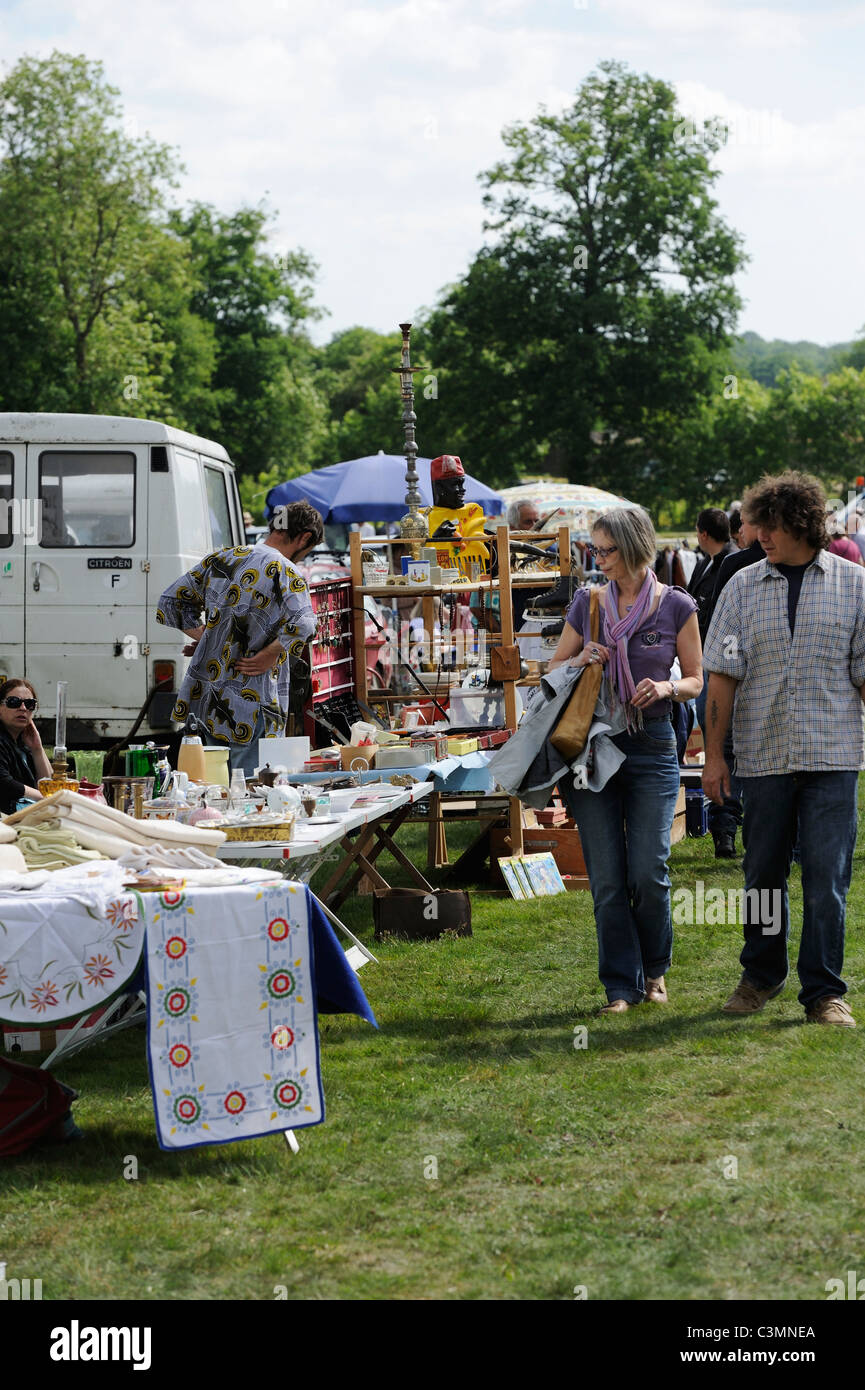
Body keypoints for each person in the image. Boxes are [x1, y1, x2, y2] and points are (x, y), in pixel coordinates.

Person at [702, 470, 865, 1027]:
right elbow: (720, 676)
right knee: (761, 876)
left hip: (834, 756)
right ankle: (760, 976)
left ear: (799, 524)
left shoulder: (855, 584)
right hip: (763, 754)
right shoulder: (740, 587)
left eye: (767, 525)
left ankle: (824, 993)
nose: (756, 534)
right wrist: (715, 756)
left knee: (827, 878)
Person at [547, 507, 702, 1013]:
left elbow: (696, 679)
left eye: (606, 550)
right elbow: (553, 671)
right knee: (608, 877)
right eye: (595, 549)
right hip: (593, 745)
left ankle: (655, 971)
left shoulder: (675, 605)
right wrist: (583, 656)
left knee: (648, 870)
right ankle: (620, 985)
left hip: (651, 743)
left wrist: (668, 685)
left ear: (635, 548)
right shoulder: (588, 604)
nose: (599, 559)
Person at [156, 501, 322, 776]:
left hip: (207, 698)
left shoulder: (223, 558)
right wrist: (269, 654)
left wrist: (212, 639)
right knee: (246, 789)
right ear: (305, 537)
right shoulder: (285, 571)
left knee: (207, 785)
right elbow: (304, 624)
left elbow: (171, 601)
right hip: (253, 700)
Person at [687, 508, 737, 856]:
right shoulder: (710, 562)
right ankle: (724, 825)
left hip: (722, 665)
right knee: (720, 747)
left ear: (703, 533)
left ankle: (726, 826)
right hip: (709, 662)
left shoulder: (730, 564)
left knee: (725, 747)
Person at [0, 679, 53, 814]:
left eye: (30, 704)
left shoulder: (22, 743)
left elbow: (49, 784)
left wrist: (37, 749)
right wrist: (47, 799)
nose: (23, 708)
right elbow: (4, 783)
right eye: (14, 702)